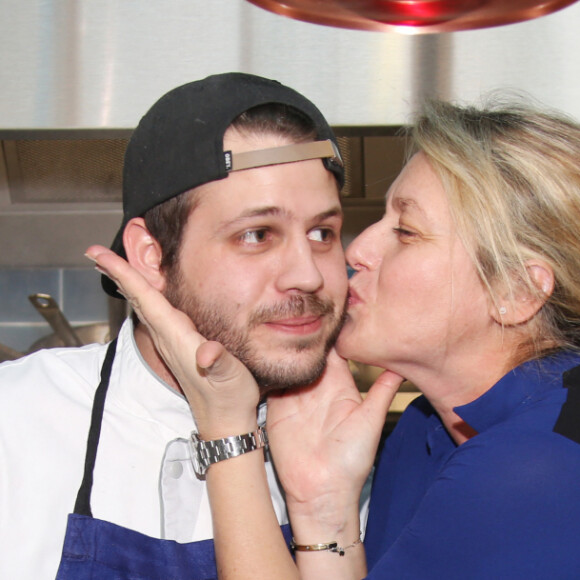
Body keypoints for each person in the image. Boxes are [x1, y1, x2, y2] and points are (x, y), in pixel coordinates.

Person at [91, 96, 580, 579]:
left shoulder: (540, 469)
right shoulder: (421, 430)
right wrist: (327, 514)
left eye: (406, 231)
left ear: (516, 290)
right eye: (258, 234)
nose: (358, 250)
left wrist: (225, 428)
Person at [0, 72, 350, 579]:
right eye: (256, 234)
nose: (309, 275)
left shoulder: (339, 456)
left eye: (323, 232)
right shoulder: (15, 417)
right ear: (151, 256)